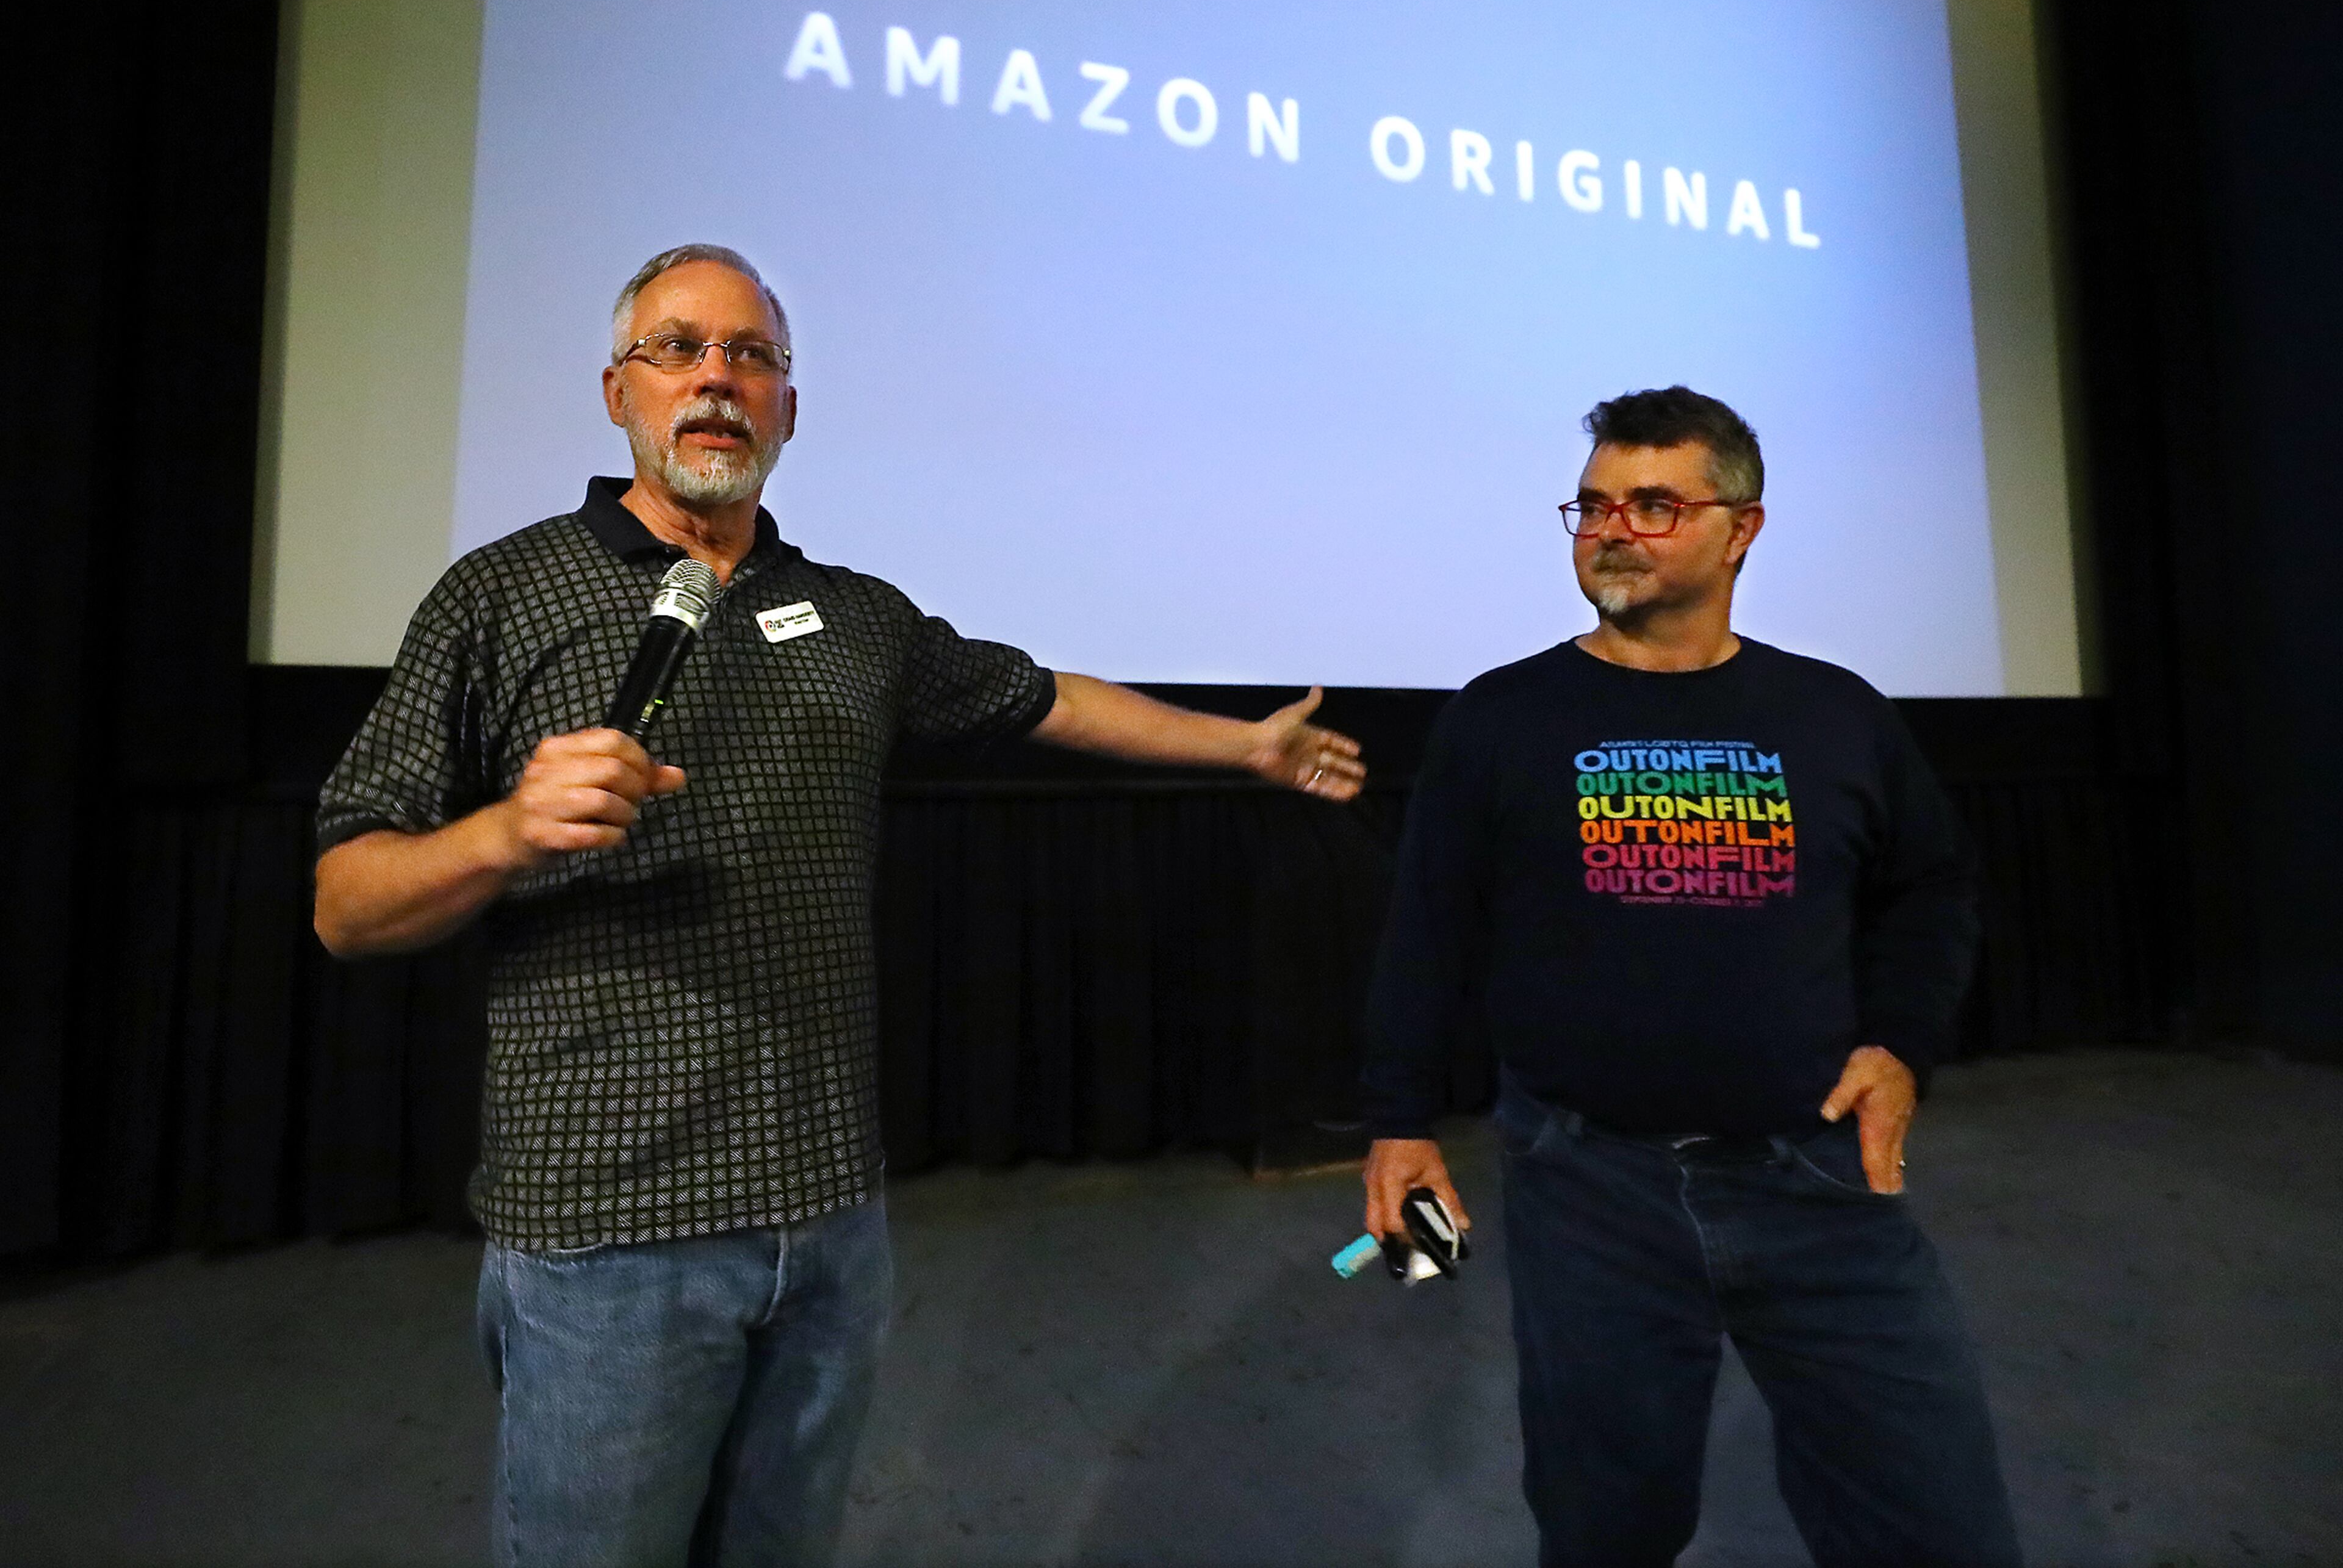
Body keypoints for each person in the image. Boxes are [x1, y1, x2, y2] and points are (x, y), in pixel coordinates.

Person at [312, 243, 1365, 1568]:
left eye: (751, 357)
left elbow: (1047, 698)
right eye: (679, 350)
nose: (717, 380)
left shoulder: (855, 618)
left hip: (828, 1225)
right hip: (605, 1238)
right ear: (616, 393)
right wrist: (503, 832)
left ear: (789, 410)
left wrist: (1243, 748)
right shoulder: (501, 596)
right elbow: (347, 904)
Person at [1358, 387, 2021, 1567]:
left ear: (1743, 528)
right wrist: (1400, 1122)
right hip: (1587, 1186)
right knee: (1606, 1527)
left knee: (1935, 1520)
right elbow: (1427, 932)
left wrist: (1899, 1047)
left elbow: (1933, 891)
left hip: (1816, 1177)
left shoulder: (1835, 713)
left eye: (1654, 504)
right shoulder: (1501, 718)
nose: (1612, 529)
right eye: (1595, 504)